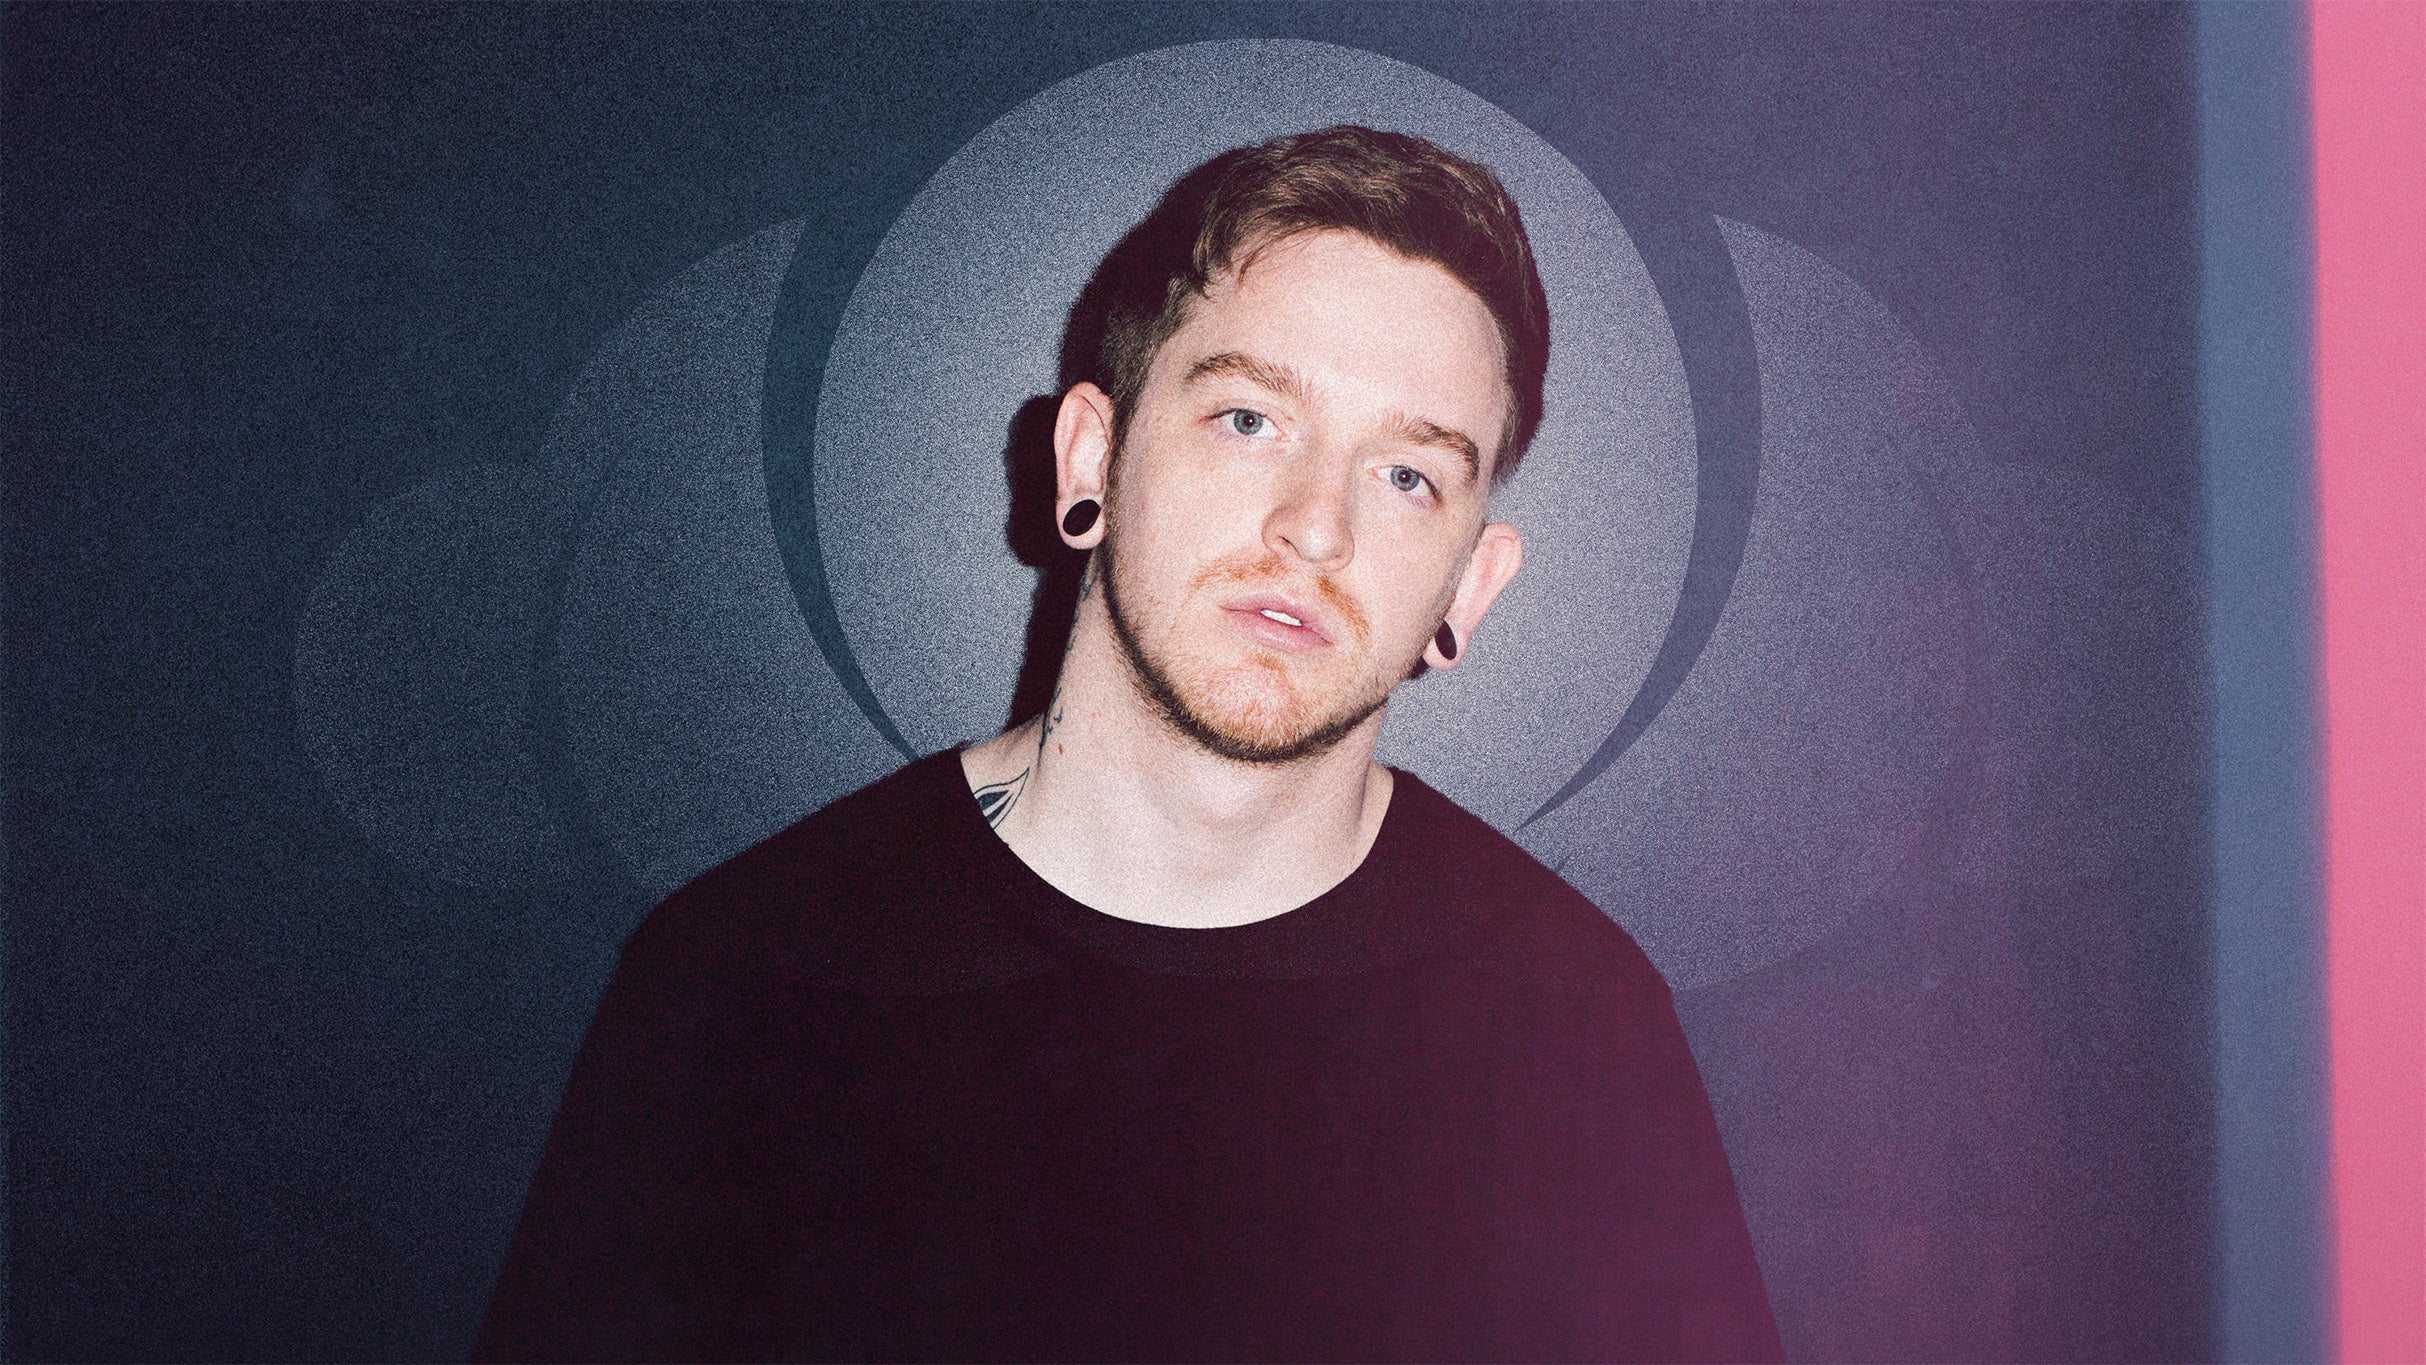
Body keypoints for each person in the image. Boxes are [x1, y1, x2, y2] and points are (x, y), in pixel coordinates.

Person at [474, 126, 1780, 1363]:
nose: (1315, 525)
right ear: (1089, 458)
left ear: (1471, 586)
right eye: (1249, 419)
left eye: (1407, 474)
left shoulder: (1575, 1030)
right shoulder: (749, 983)